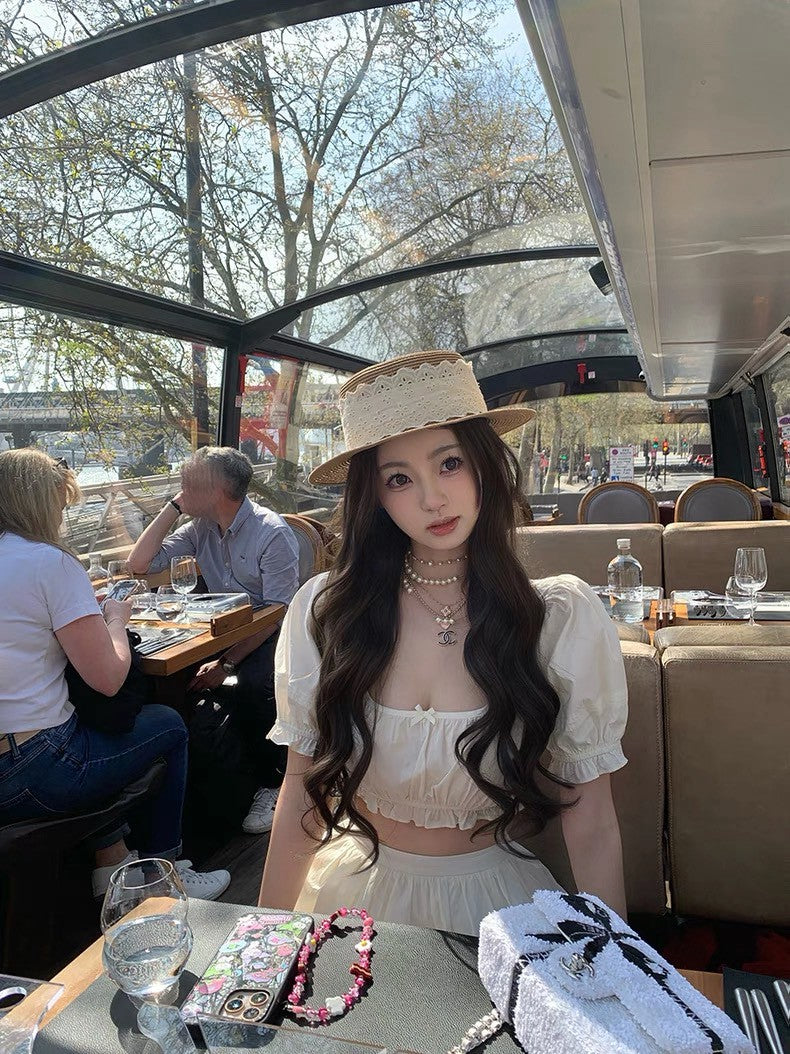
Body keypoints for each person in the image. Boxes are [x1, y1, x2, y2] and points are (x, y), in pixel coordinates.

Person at [258, 350, 628, 936]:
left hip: (497, 913)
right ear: (376, 497)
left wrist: (621, 961)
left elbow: (592, 818)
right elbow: (302, 791)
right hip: (353, 897)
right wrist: (261, 948)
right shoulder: (329, 611)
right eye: (399, 479)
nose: (431, 498)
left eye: (449, 463)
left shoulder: (556, 617)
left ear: (484, 464)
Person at [0, 449, 230, 900]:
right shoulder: (50, 563)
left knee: (93, 726)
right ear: (40, 504)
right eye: (59, 507)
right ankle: (166, 874)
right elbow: (108, 677)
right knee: (166, 724)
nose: (61, 518)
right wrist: (116, 620)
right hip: (34, 770)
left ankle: (114, 864)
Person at [127, 446, 300, 835]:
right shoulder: (200, 528)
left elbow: (277, 613)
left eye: (188, 483)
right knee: (161, 681)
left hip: (270, 632)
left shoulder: (271, 533)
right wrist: (174, 507)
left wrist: (226, 665)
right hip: (222, 630)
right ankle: (201, 786)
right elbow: (139, 565)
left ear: (216, 489)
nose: (181, 489)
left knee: (254, 685)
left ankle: (273, 782)